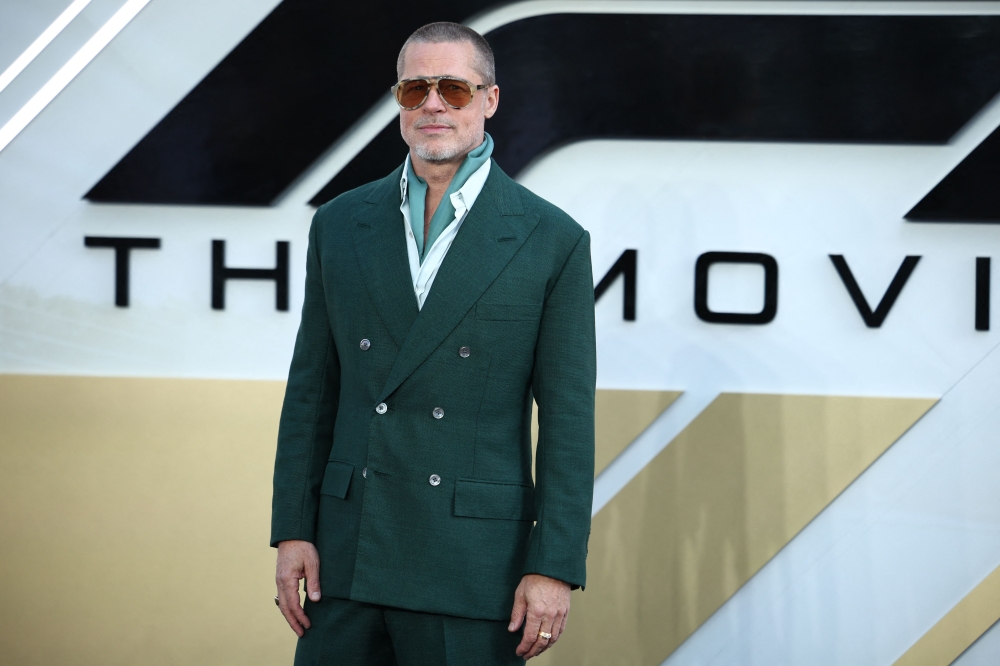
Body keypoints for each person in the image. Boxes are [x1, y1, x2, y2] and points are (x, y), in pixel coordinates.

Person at [270, 21, 596, 665]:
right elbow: (313, 388)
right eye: (414, 90)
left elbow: (567, 419)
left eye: (452, 87)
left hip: (472, 566)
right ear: (398, 102)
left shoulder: (551, 240)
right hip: (346, 555)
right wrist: (293, 529)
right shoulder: (339, 224)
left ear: (490, 99)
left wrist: (553, 566)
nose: (434, 105)